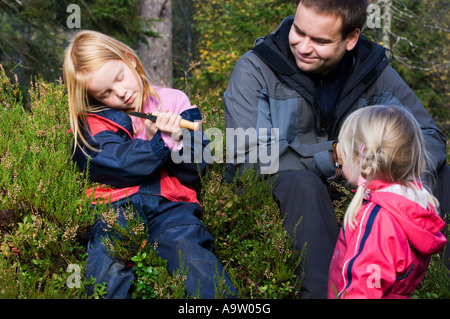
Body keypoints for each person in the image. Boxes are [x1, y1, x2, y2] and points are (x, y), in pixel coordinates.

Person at [224, 0, 449, 298]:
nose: (303, 46)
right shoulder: (256, 68)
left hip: (360, 183)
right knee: (304, 184)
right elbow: (246, 156)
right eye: (298, 31)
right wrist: (332, 156)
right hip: (285, 186)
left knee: (445, 176)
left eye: (319, 40)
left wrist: (382, 165)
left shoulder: (372, 71)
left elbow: (429, 137)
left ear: (351, 38)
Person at [63, 30, 237, 299]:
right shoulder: (92, 120)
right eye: (105, 92)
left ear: (130, 60)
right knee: (104, 262)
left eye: (119, 78)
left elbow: (198, 167)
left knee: (190, 254)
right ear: (93, 96)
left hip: (171, 204)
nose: (120, 93)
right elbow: (112, 163)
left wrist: (175, 142)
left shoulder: (174, 100)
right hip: (115, 208)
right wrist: (157, 144)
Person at [328, 105, 446, 299]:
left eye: (343, 148)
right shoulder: (410, 206)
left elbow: (361, 291)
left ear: (362, 158)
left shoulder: (376, 219)